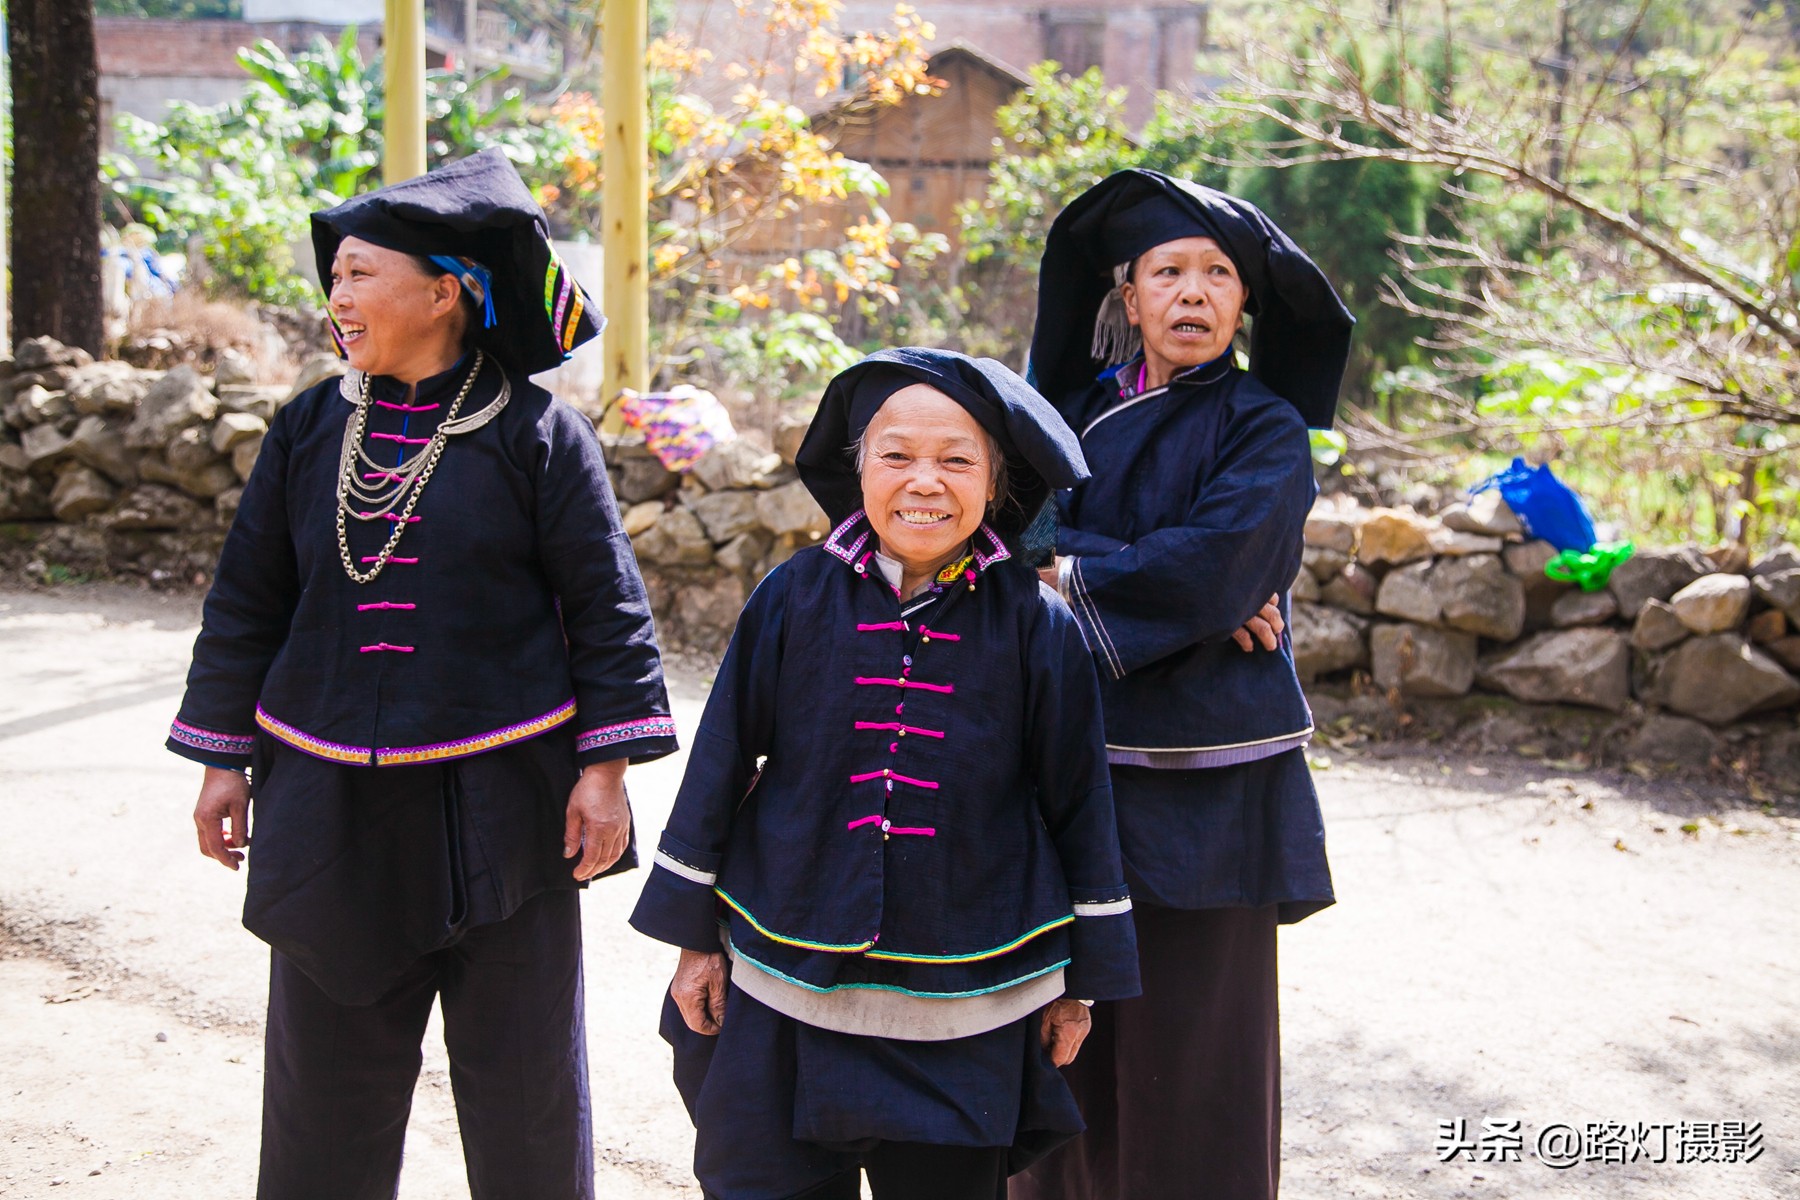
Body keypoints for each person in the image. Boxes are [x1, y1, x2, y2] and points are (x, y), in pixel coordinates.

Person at [165, 148, 677, 1200]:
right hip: (327, 804)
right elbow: (249, 601)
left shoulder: (539, 435)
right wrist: (222, 760)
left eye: (360, 274)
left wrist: (607, 772)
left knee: (525, 1085)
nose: (336, 296)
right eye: (337, 275)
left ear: (445, 292)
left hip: (506, 804)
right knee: (323, 1092)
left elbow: (607, 608)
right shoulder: (309, 428)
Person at [629, 348, 1141, 1200]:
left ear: (997, 481)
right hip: (782, 981)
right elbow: (720, 762)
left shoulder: (1037, 627)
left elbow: (1080, 803)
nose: (924, 482)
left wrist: (1080, 986)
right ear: (857, 466)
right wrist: (693, 943)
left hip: (969, 1003)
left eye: (956, 460)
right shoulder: (793, 596)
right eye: (897, 455)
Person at [1012, 168, 1355, 1200]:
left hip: (1209, 782)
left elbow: (1219, 565)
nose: (1194, 293)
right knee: (1057, 1029)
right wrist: (1175, 583)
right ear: (1127, 297)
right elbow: (1007, 537)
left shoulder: (1264, 430)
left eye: (1218, 273)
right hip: (1064, 760)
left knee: (1195, 1046)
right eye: (1168, 271)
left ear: (1246, 301)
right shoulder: (1059, 415)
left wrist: (1070, 570)